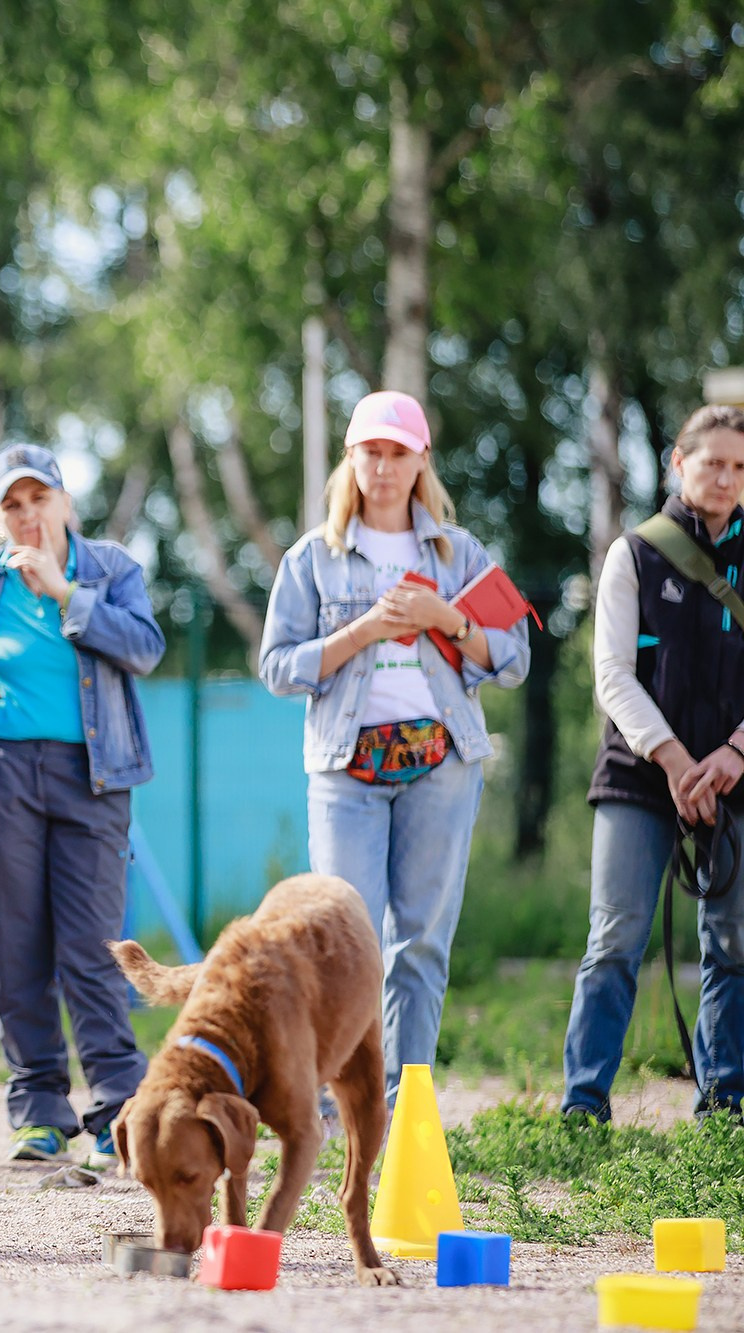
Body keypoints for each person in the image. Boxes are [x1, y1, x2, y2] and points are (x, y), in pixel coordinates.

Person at [260, 389, 530, 1104]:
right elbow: (277, 667)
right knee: (344, 944)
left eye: (397, 454)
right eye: (370, 453)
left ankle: (406, 1106)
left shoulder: (459, 553)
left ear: (421, 461)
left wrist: (447, 618)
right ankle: (337, 1102)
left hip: (442, 766)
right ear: (350, 459)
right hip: (345, 769)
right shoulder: (312, 557)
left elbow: (513, 658)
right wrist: (363, 631)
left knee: (421, 942)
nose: (383, 467)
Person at [0, 444, 165, 1170]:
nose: (27, 514)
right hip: (3, 771)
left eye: (39, 498)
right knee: (18, 947)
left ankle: (118, 1106)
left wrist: (65, 592)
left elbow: (145, 648)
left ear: (66, 503)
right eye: (11, 504)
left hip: (94, 775)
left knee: (94, 946)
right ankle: (38, 1107)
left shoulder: (111, 569)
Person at [563, 404, 744, 1123]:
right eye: (714, 462)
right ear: (678, 461)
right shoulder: (635, 553)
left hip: (736, 776)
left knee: (733, 944)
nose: (726, 478)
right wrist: (673, 761)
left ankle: (724, 1105)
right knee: (615, 939)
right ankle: (583, 1107)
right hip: (640, 776)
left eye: (740, 466)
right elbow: (612, 675)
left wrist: (733, 753)